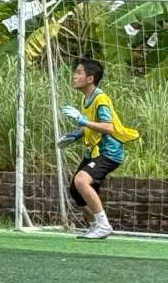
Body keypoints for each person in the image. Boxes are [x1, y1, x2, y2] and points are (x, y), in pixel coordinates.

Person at [59, 57, 138, 240]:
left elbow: (108, 127)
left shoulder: (100, 99)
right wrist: (74, 136)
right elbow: (91, 125)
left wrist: (82, 120)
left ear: (90, 78)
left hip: (109, 152)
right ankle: (94, 226)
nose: (74, 76)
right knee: (75, 190)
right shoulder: (87, 98)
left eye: (79, 73)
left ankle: (104, 225)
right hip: (94, 151)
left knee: (81, 181)